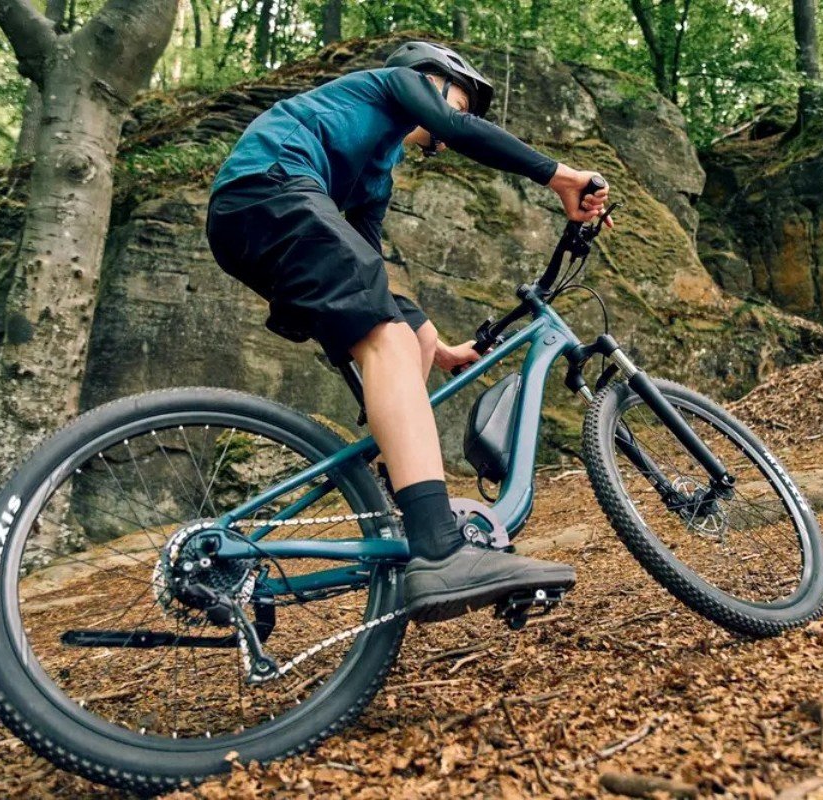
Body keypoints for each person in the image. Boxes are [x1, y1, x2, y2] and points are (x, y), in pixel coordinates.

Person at [206, 41, 610, 621]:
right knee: (388, 338)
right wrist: (562, 176)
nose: (452, 121)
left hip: (255, 220)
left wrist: (436, 346)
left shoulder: (376, 174)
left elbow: (365, 262)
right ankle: (438, 547)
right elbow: (456, 127)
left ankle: (400, 491)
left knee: (407, 334)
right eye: (458, 101)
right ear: (428, 78)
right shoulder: (390, 83)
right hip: (271, 190)